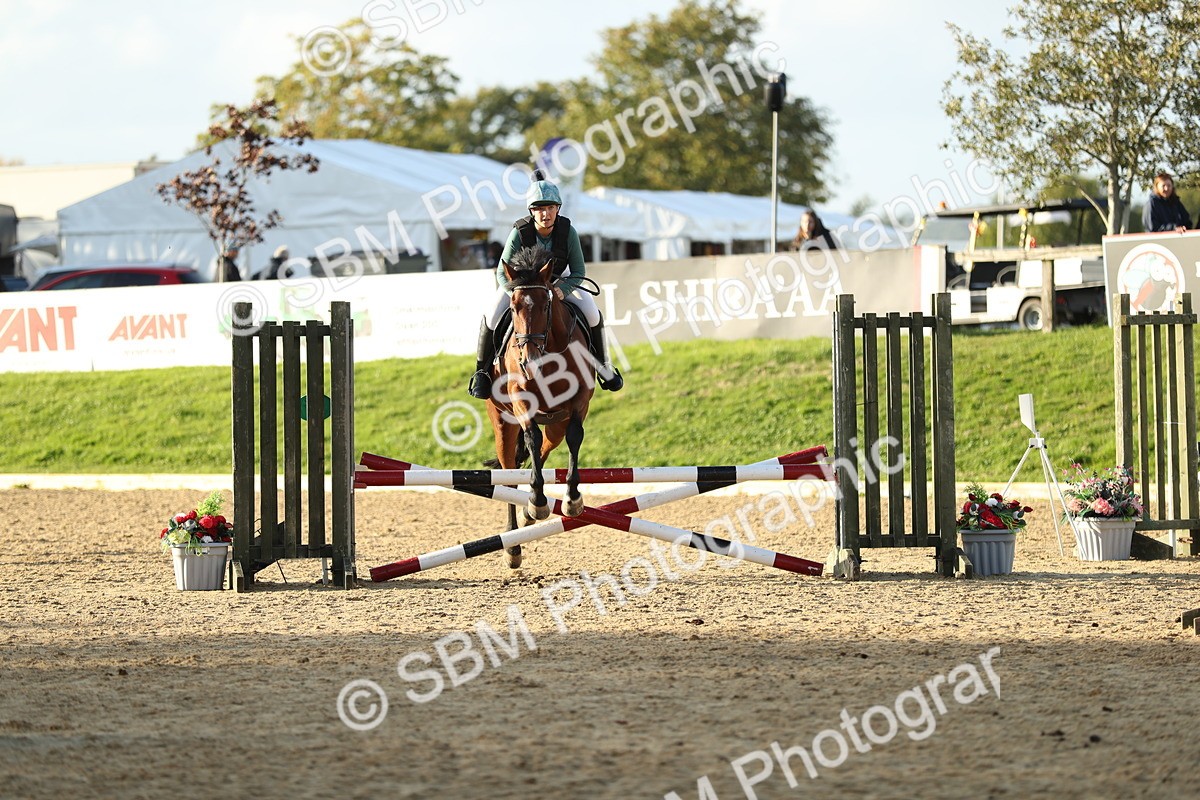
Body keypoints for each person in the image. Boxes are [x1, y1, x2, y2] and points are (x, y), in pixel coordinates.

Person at [467, 175, 623, 399]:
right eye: (540, 209)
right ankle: (482, 373)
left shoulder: (568, 231)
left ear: (557, 209)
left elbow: (579, 271)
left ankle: (603, 366)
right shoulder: (519, 232)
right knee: (491, 316)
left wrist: (563, 290)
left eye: (551, 208)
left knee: (592, 314)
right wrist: (518, 294)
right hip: (522, 284)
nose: (546, 214)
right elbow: (502, 271)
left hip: (560, 278)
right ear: (531, 211)